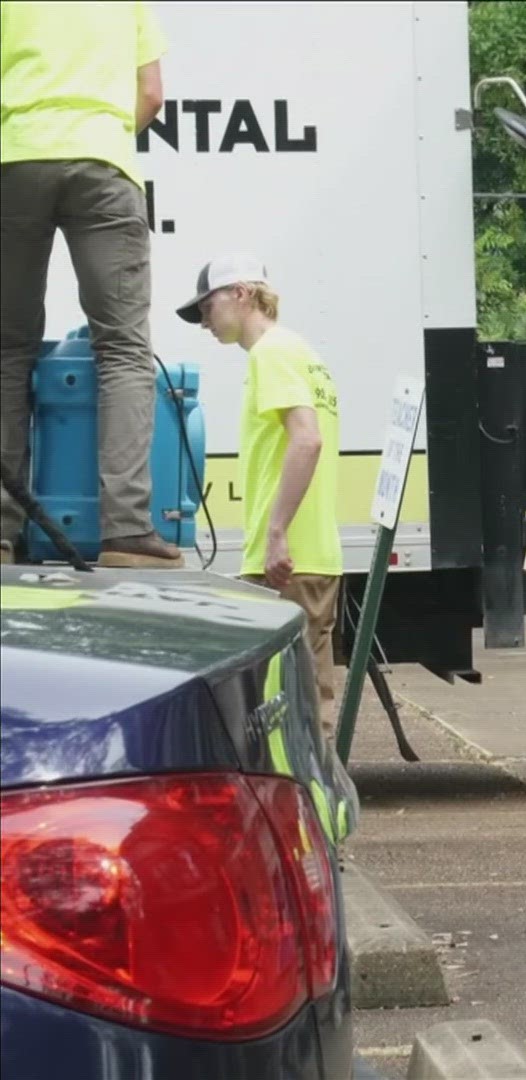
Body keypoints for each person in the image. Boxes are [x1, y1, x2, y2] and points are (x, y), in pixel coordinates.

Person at [0, 0, 181, 567]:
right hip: (104, 164)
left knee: (6, 349)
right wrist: (99, 132)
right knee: (124, 349)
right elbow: (151, 93)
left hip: (16, 161)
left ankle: (1, 532)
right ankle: (126, 531)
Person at [178, 255, 346, 733]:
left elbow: (306, 439)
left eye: (207, 307)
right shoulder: (300, 353)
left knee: (293, 710)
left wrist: (275, 534)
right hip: (307, 555)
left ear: (242, 294)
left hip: (289, 559)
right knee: (299, 701)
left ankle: (306, 804)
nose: (204, 321)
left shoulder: (273, 353)